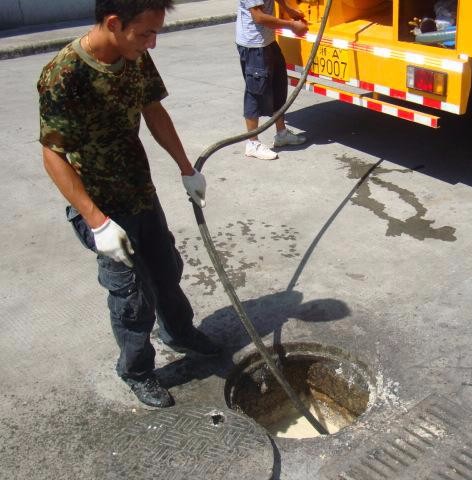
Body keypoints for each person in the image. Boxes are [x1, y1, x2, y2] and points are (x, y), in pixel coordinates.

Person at [38, 0, 218, 408]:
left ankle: (180, 333)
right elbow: (53, 155)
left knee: (166, 270)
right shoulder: (65, 74)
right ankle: (136, 370)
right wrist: (97, 221)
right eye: (145, 34)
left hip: (141, 192)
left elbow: (152, 109)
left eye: (157, 33)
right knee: (131, 296)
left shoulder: (133, 56)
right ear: (114, 23)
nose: (152, 44)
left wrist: (186, 167)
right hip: (102, 205)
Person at [236, 0, 309, 160]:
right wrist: (291, 25)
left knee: (278, 85)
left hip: (268, 41)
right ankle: (252, 143)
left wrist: (288, 9)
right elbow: (259, 17)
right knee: (255, 92)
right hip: (254, 45)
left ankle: (281, 133)